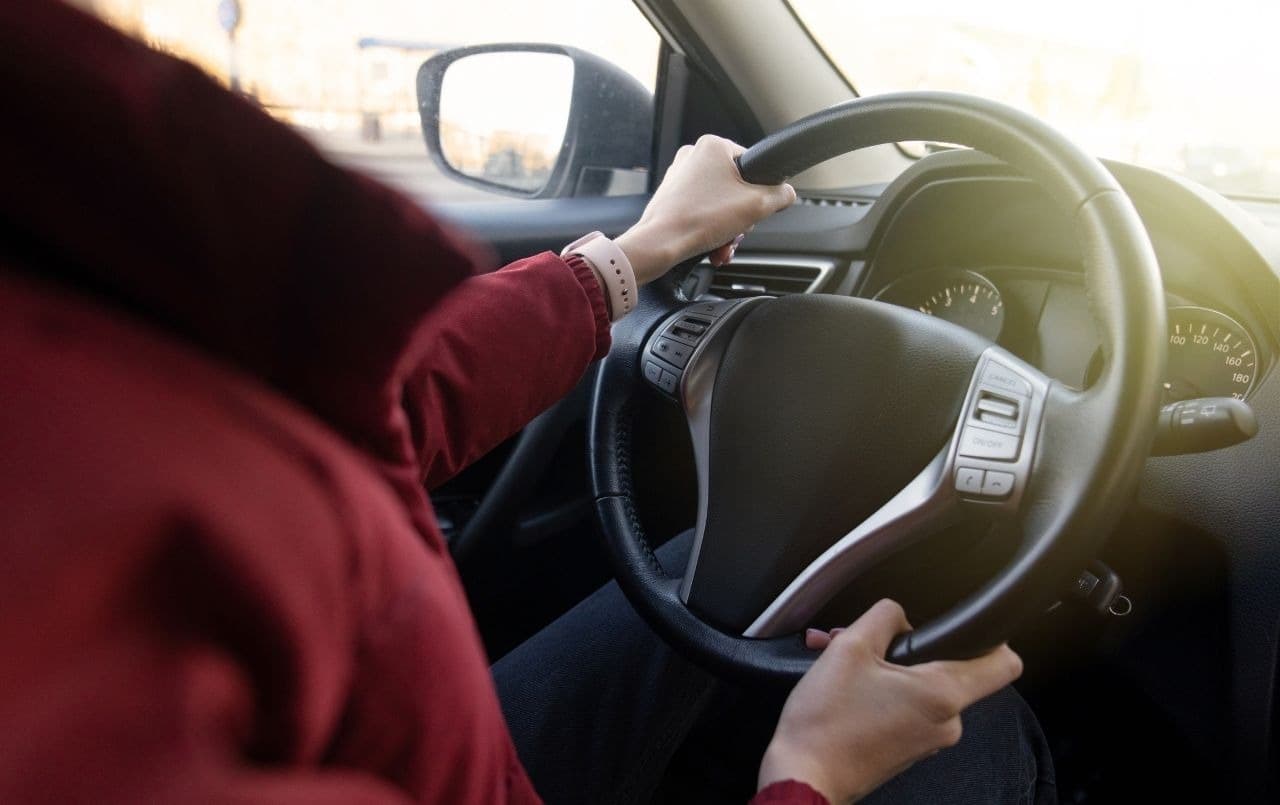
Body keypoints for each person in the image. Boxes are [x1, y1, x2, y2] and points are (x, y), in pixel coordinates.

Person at [0, 2, 1051, 804]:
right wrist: (808, 772)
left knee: (707, 571)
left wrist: (629, 260)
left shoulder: (64, 299)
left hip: (440, 746)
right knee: (987, 738)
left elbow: (350, 415)